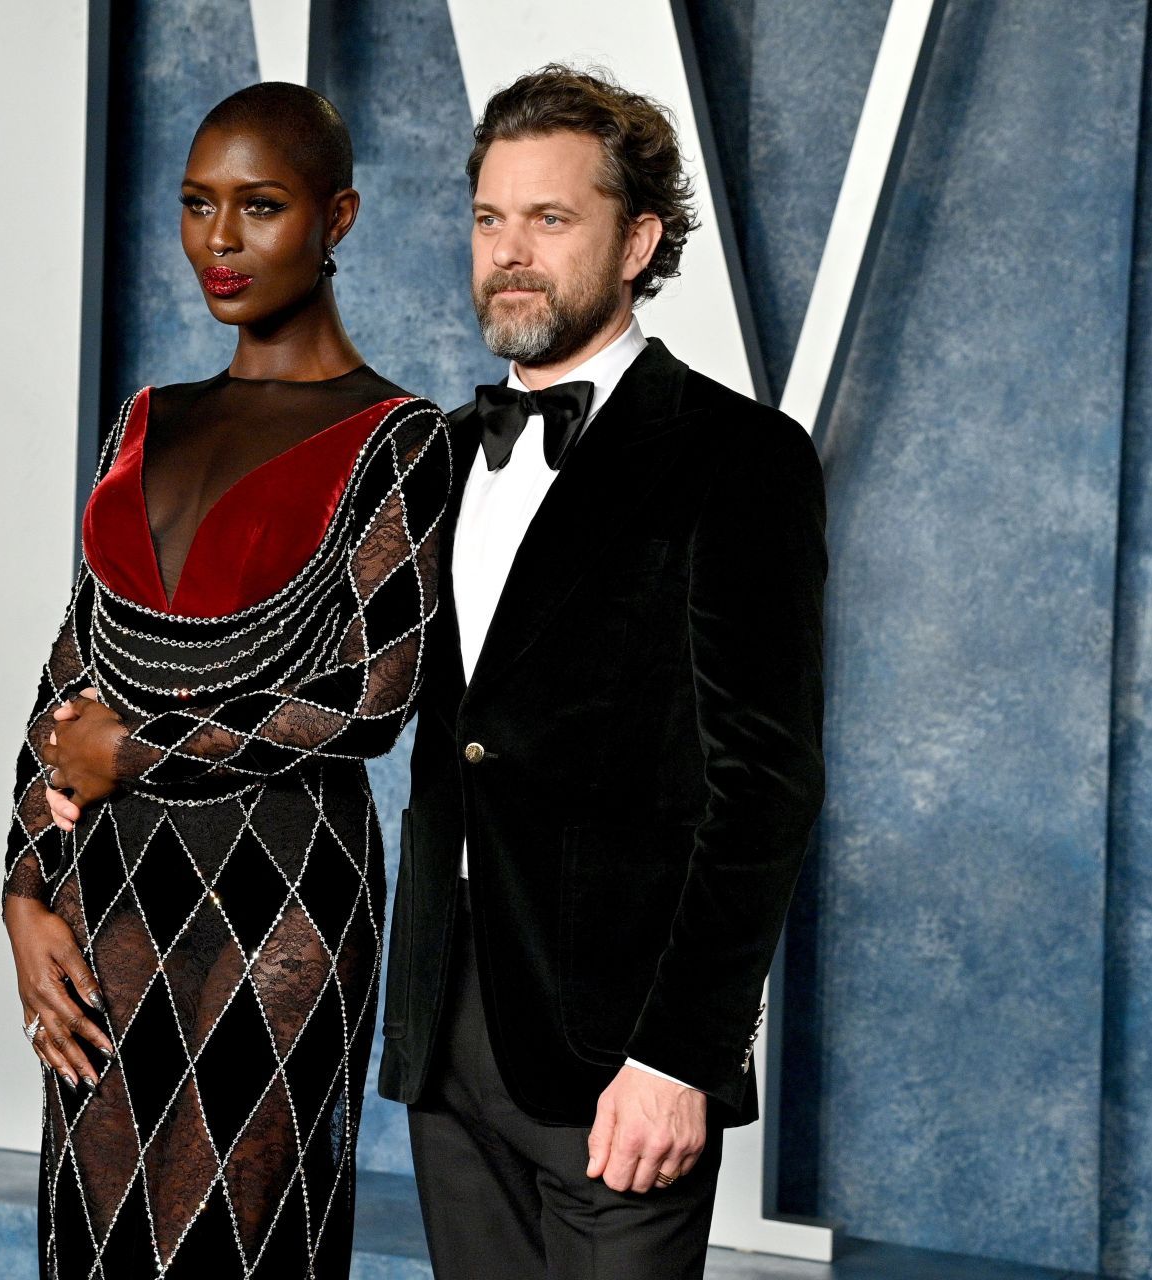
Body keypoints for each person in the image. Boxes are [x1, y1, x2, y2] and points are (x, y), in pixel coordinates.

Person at [376, 66, 827, 1278]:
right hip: (447, 1027)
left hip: (624, 1049)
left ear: (637, 242)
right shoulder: (435, 455)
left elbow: (766, 790)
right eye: (489, 218)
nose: (508, 253)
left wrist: (684, 1054)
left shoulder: (741, 459)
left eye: (550, 219)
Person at [1, 82, 452, 1279]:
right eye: (199, 205)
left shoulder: (400, 438)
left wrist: (132, 752)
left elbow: (373, 697)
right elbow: (69, 671)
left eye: (261, 206)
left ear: (337, 215)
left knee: (237, 1254)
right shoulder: (144, 418)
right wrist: (21, 888)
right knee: (89, 1244)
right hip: (112, 883)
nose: (221, 240)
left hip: (288, 889)